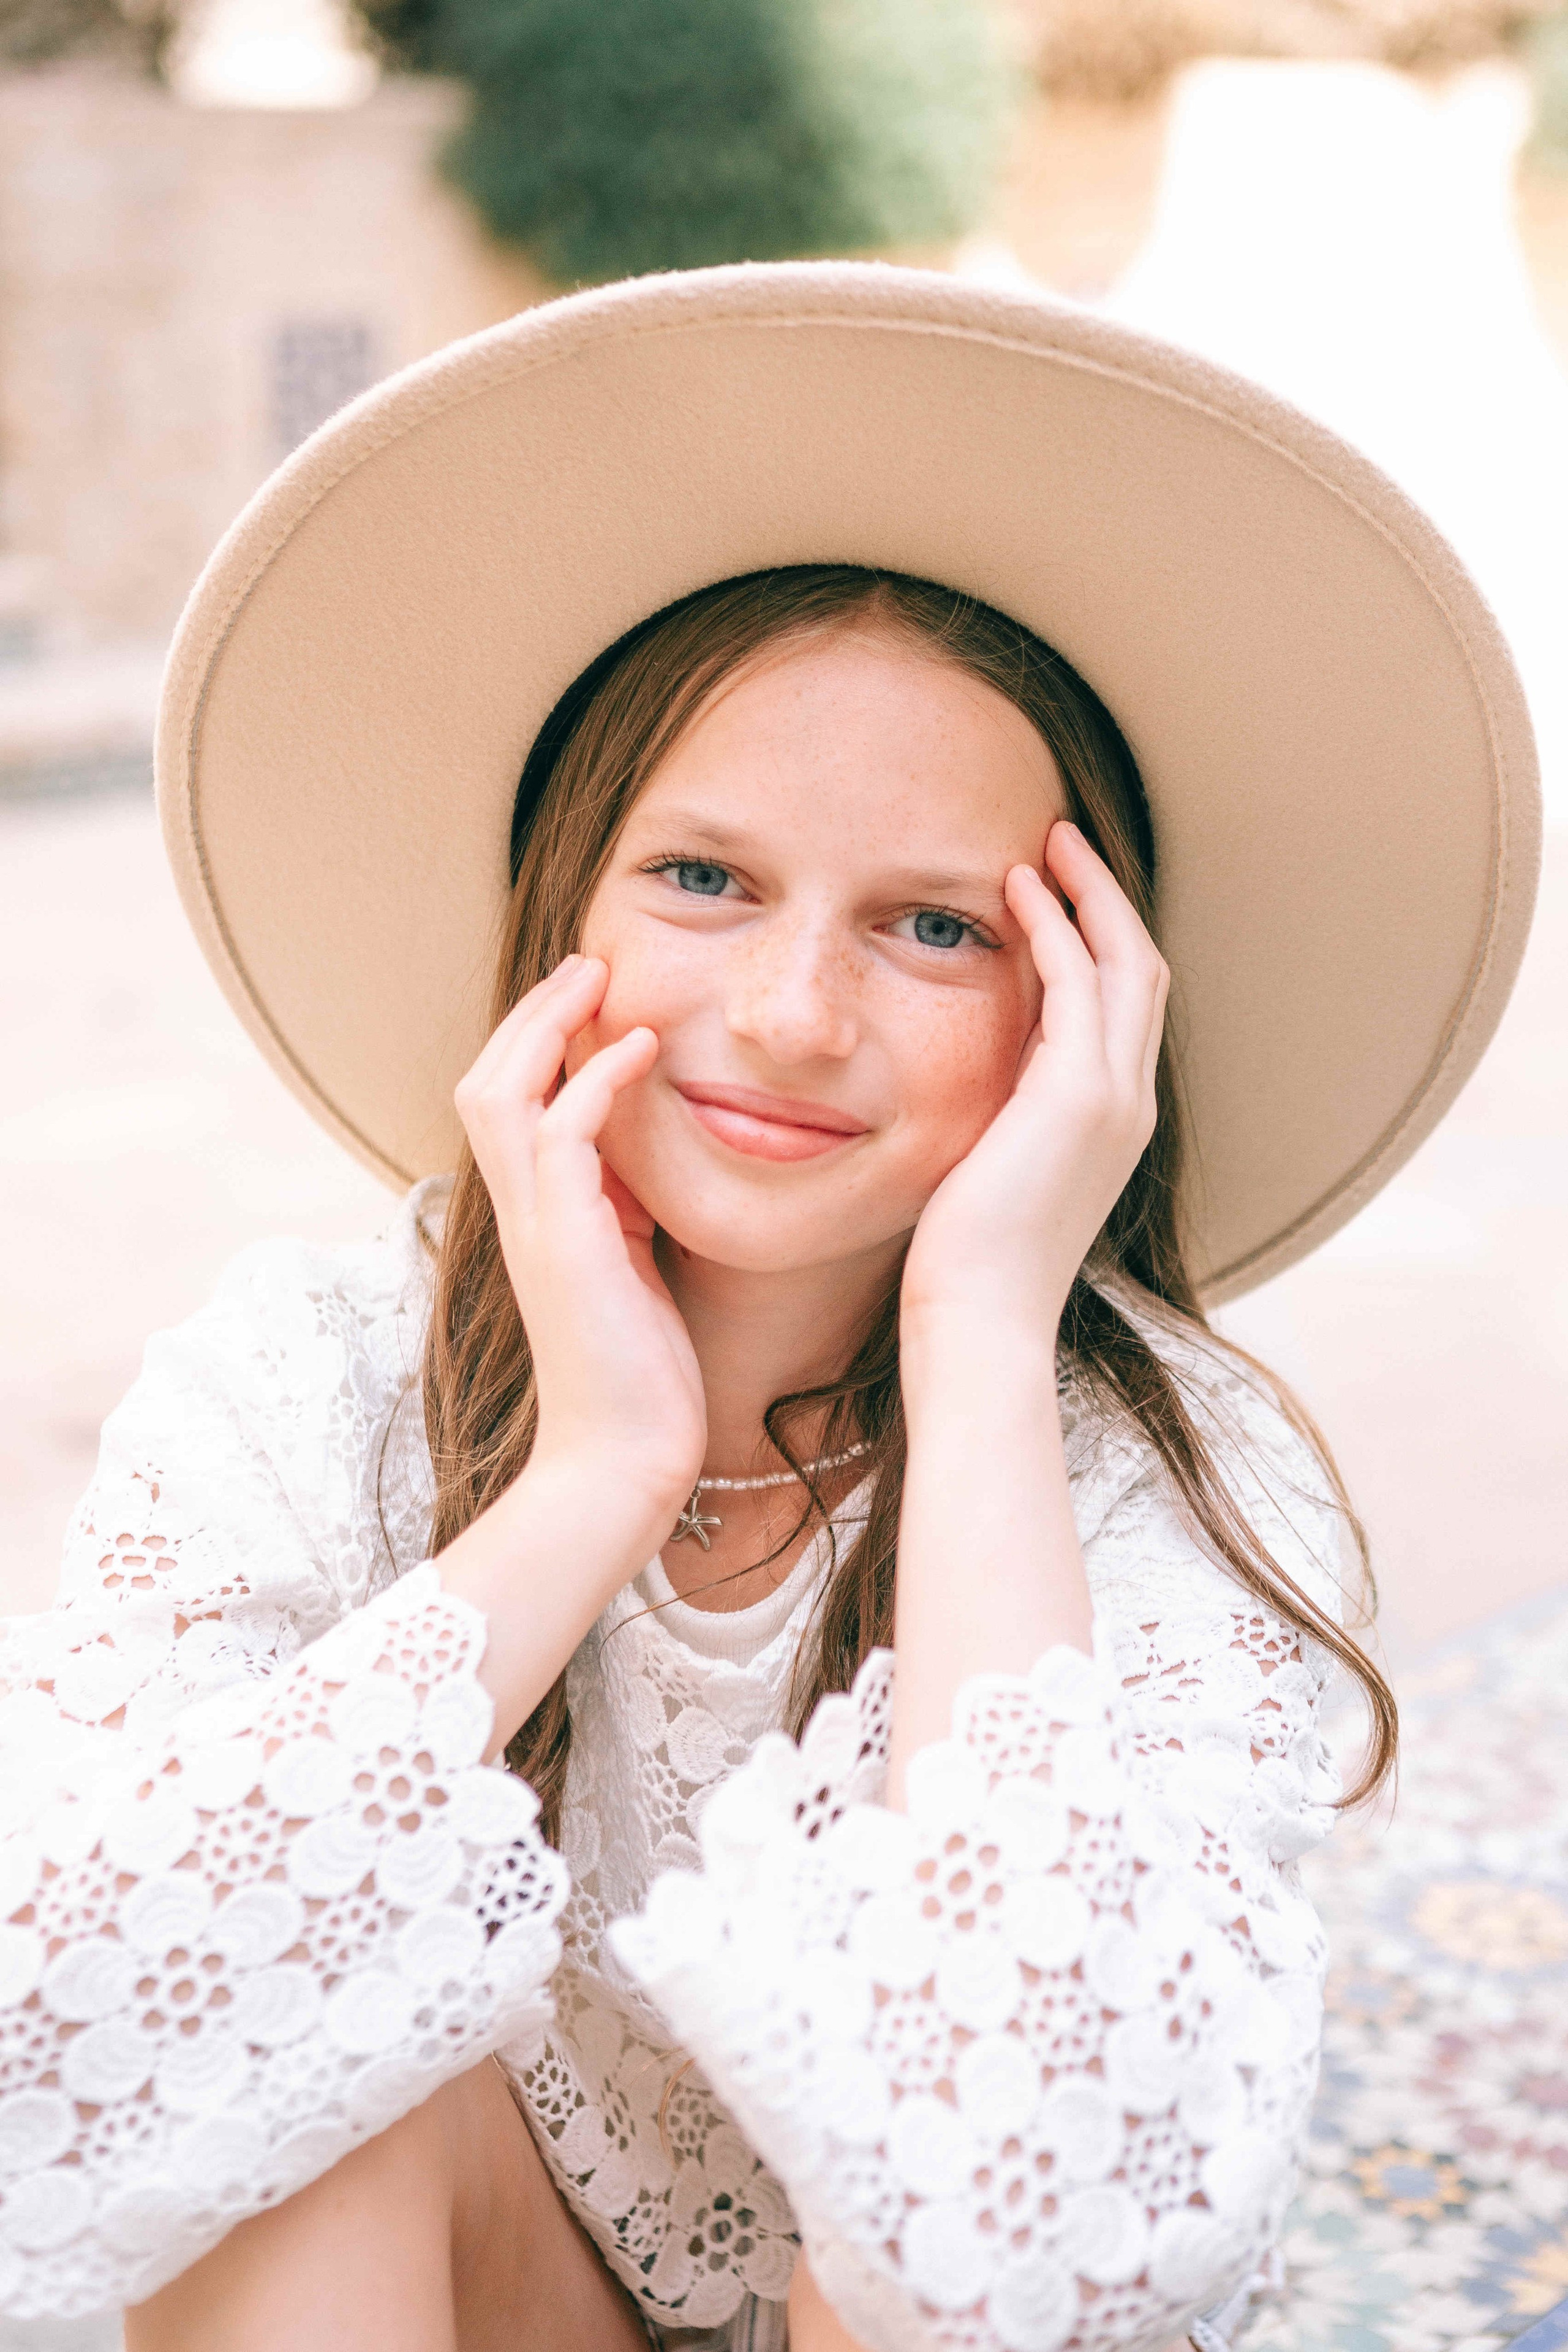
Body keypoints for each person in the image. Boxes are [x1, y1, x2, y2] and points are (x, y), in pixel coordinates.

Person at [0, 266, 1538, 2352]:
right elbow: (63, 2056)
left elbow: (1033, 2258)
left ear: (1087, 1011)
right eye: (703, 879)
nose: (794, 1018)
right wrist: (599, 1472)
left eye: (931, 926)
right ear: (561, 913)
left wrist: (985, 1340)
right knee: (285, 2034)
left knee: (921, 2225)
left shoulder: (1172, 1476)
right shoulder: (308, 1383)